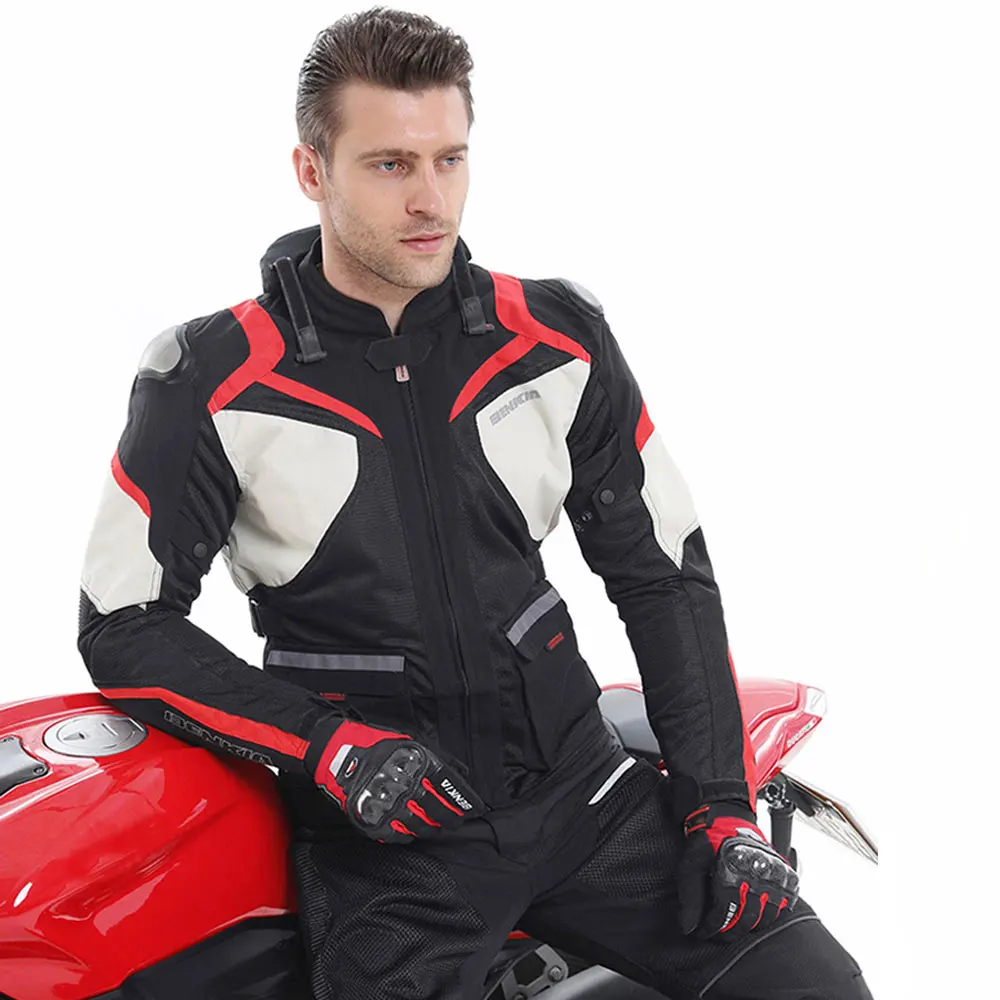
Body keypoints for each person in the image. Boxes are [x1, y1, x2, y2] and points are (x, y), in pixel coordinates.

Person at [76, 7, 873, 999]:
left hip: (588, 797)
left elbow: (663, 578)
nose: (431, 199)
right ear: (312, 171)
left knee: (819, 985)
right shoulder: (211, 376)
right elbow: (124, 626)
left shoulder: (555, 336)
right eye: (390, 165)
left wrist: (720, 807)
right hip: (392, 844)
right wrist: (329, 748)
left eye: (449, 159)